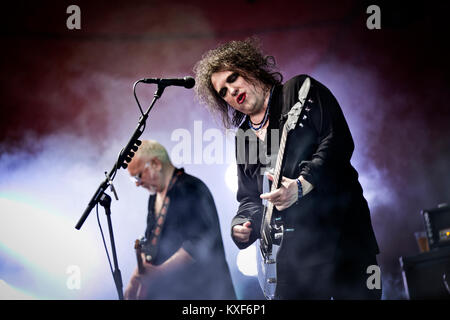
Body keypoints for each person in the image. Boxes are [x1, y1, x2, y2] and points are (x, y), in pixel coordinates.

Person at [193, 38, 381, 299]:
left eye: (233, 78)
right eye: (222, 92)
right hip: (293, 261)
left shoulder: (300, 91)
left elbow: (337, 140)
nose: (231, 91)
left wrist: (302, 186)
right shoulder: (245, 137)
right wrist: (241, 225)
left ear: (249, 67)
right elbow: (249, 197)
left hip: (344, 241)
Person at [124, 140, 236, 300]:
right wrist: (134, 282)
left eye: (138, 175)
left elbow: (199, 243)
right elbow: (150, 244)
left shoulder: (191, 188)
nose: (137, 184)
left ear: (156, 164)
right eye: (133, 179)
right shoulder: (154, 197)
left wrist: (161, 272)